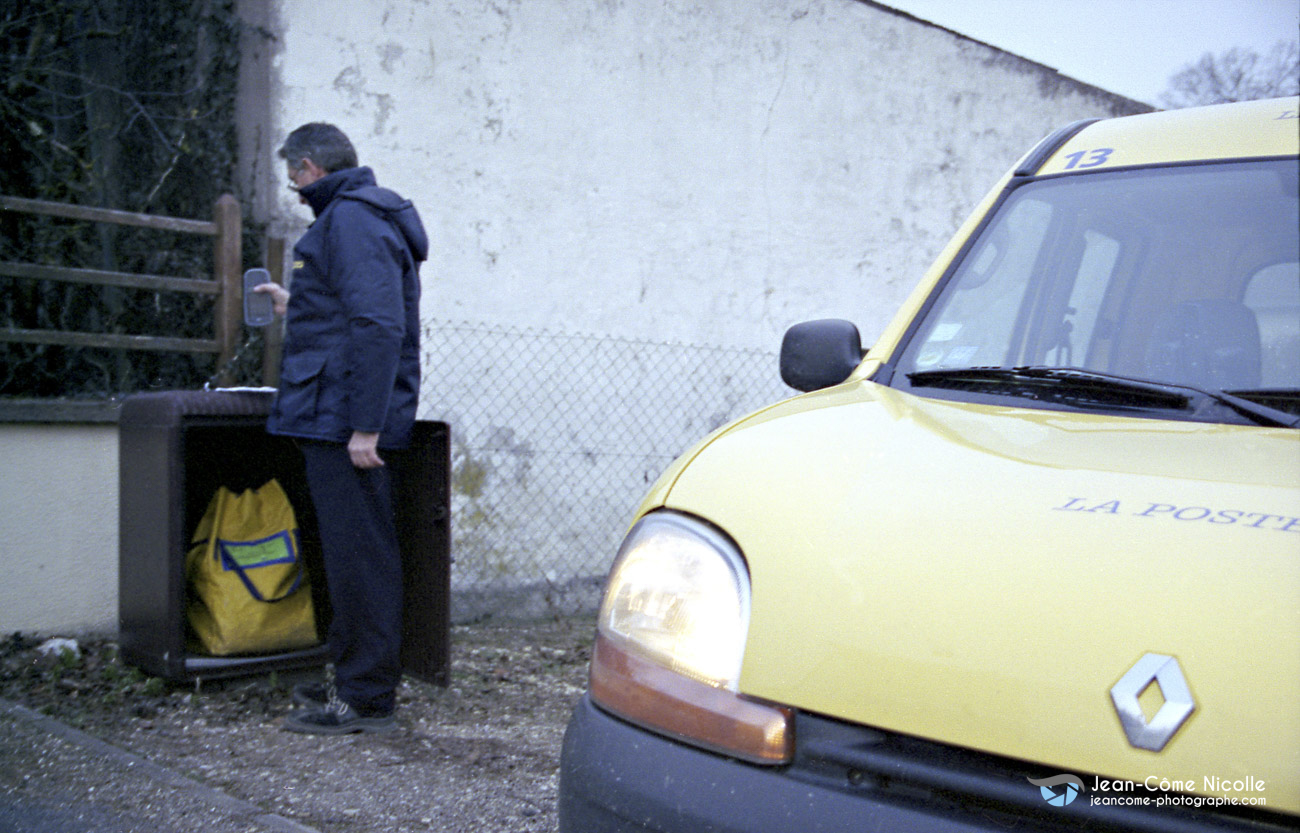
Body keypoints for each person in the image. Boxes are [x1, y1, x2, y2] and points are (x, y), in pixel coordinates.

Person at [254, 122, 427, 735]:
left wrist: (365, 427)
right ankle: (349, 674)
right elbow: (344, 312)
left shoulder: (352, 220)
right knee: (347, 555)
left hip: (343, 423)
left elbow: (378, 326)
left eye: (292, 177)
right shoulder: (349, 221)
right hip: (329, 415)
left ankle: (367, 698)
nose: (293, 189)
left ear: (308, 168)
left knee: (361, 560)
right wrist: (292, 304)